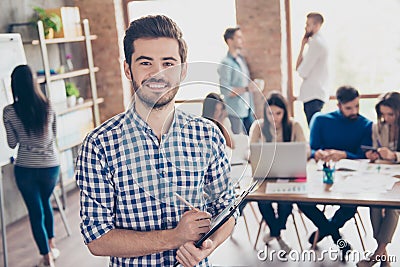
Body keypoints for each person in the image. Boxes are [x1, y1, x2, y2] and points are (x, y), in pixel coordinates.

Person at [75, 15, 235, 267]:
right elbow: (97, 238)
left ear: (183, 70)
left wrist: (208, 245)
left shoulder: (209, 135)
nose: (158, 74)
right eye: (145, 62)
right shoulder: (99, 146)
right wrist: (175, 237)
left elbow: (226, 211)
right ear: (128, 69)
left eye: (168, 63)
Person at [297, 86, 372, 259]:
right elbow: (313, 149)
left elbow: (364, 155)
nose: (354, 111)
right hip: (322, 174)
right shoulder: (320, 120)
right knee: (302, 201)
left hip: (351, 177)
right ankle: (337, 237)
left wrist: (345, 154)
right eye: (349, 108)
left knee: (350, 206)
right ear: (338, 105)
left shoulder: (366, 124)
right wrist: (319, 153)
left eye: (357, 106)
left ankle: (324, 230)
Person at [2, 65, 60, 267]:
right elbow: (53, 136)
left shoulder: (9, 111)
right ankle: (52, 245)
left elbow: (11, 143)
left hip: (25, 168)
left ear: (14, 85)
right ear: (34, 83)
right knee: (45, 205)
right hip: (50, 167)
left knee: (36, 212)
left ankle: (47, 258)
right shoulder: (48, 106)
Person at [249, 91, 307, 254]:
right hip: (264, 178)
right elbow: (250, 153)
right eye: (270, 113)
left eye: (278, 113)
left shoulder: (294, 126)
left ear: (285, 112)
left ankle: (275, 233)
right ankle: (278, 235)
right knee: (263, 201)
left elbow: (305, 151)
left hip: (289, 178)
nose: (274, 117)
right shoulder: (258, 126)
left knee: (285, 202)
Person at [358, 92, 400, 267]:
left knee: (392, 207)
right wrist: (373, 155)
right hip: (384, 173)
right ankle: (384, 255)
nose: (386, 118)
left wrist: (394, 155)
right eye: (383, 114)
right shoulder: (378, 127)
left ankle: (376, 255)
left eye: (391, 114)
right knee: (374, 204)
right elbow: (377, 150)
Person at [218, 26, 256, 135]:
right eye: (238, 37)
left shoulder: (241, 60)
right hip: (235, 112)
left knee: (253, 142)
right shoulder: (226, 63)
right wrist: (246, 88)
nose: (242, 40)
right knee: (239, 144)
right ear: (230, 41)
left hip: (247, 109)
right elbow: (225, 90)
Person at [296, 12, 329, 125]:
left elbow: (302, 71)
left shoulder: (316, 44)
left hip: (313, 95)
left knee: (314, 131)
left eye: (308, 24)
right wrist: (302, 46)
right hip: (315, 94)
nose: (305, 27)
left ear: (316, 25)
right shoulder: (317, 42)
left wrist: (300, 68)